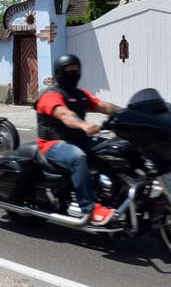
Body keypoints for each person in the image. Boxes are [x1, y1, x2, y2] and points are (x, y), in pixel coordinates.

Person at [34, 54, 122, 225]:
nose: (74, 73)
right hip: (53, 143)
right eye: (69, 70)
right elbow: (64, 114)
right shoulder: (51, 95)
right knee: (77, 157)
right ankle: (90, 209)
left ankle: (113, 195)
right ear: (60, 72)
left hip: (79, 139)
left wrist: (127, 113)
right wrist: (84, 126)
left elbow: (102, 105)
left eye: (76, 70)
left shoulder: (80, 94)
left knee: (116, 150)